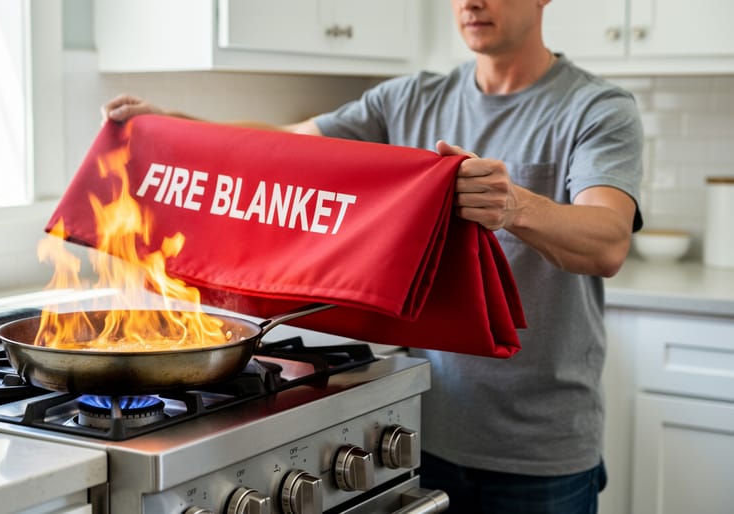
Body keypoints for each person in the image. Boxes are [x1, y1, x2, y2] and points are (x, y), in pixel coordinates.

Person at [102, 0, 643, 512]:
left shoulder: (596, 107)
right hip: (422, 425)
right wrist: (171, 124)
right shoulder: (407, 100)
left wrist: (516, 206)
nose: (472, 2)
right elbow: (285, 148)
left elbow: (608, 240)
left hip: (542, 455)